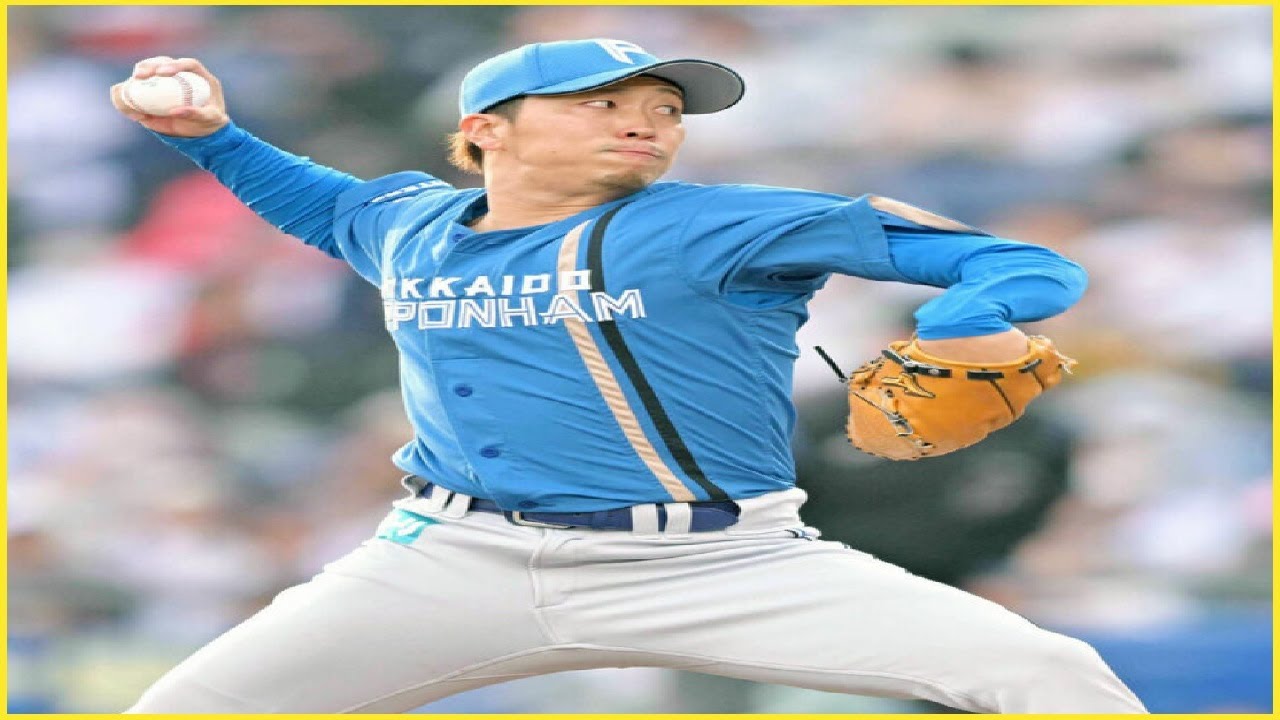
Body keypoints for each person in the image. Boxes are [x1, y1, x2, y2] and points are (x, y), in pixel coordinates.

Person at [111, 38, 1146, 713]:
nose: (645, 120)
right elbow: (316, 201)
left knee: (1048, 673)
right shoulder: (407, 224)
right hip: (454, 556)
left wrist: (966, 315)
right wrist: (212, 136)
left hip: (720, 561)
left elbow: (1024, 264)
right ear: (483, 130)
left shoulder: (725, 221)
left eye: (663, 106)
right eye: (599, 101)